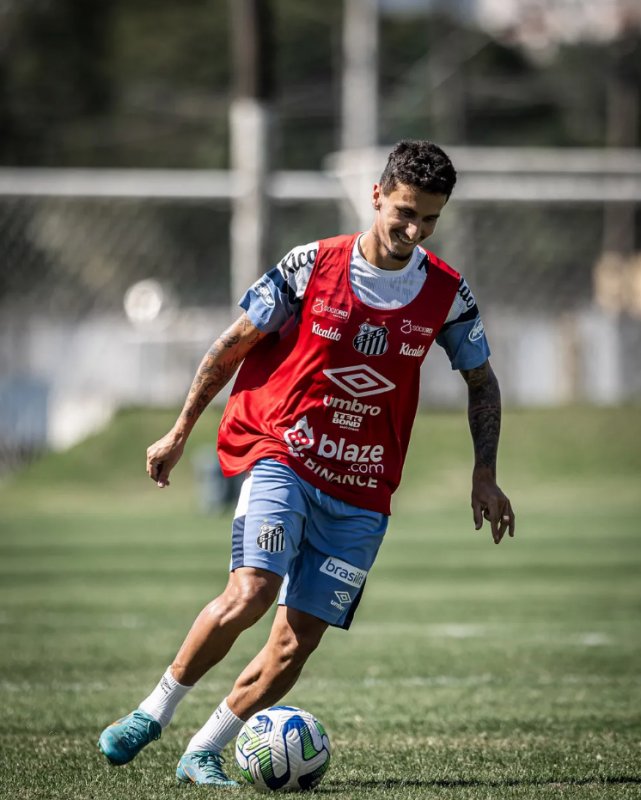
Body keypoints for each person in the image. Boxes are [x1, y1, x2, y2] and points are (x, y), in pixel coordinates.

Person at [98, 140, 515, 786]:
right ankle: (153, 713)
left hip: (364, 489)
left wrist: (483, 473)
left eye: (429, 219)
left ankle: (203, 751)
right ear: (375, 196)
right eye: (404, 212)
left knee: (297, 642)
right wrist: (180, 429)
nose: (413, 230)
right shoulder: (309, 266)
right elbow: (231, 346)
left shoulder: (445, 294)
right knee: (252, 591)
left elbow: (481, 382)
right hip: (283, 455)